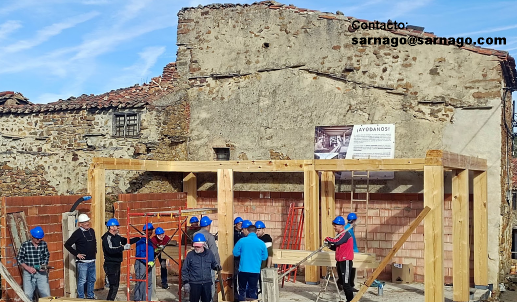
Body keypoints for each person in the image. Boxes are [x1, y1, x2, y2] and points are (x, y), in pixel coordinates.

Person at [101, 218, 139, 301]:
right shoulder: (107, 238)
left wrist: (139, 237)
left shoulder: (117, 237)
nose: (118, 228)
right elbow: (110, 250)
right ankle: (109, 300)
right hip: (110, 264)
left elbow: (126, 241)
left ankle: (110, 300)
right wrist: (122, 248)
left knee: (116, 286)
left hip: (117, 263)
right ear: (111, 227)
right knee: (113, 286)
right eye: (116, 226)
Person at [64, 213, 97, 299]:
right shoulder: (77, 233)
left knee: (92, 279)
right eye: (85, 222)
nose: (87, 223)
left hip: (92, 261)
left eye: (87, 221)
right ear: (80, 224)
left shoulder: (92, 231)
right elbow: (67, 244)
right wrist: (77, 254)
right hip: (82, 263)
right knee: (82, 281)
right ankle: (81, 298)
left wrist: (95, 252)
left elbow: (94, 242)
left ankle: (90, 296)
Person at [232, 224, 268, 302]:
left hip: (243, 270)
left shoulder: (241, 241)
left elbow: (235, 253)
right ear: (255, 232)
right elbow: (265, 257)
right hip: (255, 270)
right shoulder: (261, 243)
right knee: (253, 290)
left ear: (248, 231)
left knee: (242, 290)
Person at [181, 233, 220, 302]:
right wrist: (186, 282)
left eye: (198, 246)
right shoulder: (190, 255)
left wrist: (216, 266)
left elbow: (213, 264)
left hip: (207, 284)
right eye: (195, 246)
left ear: (204, 245)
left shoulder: (209, 254)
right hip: (195, 284)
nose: (196, 248)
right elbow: (185, 269)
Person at [324, 216, 354, 302]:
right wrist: (329, 246)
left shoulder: (345, 234)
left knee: (346, 284)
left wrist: (327, 239)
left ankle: (351, 300)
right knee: (341, 281)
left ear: (341, 225)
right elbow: (337, 246)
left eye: (335, 225)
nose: (334, 227)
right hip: (340, 261)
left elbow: (336, 241)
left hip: (346, 261)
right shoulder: (340, 235)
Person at [17, 226, 51, 301]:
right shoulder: (25, 245)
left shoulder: (44, 244)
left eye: (40, 238)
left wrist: (43, 266)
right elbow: (19, 259)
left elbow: (47, 255)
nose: (39, 240)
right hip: (28, 274)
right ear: (32, 236)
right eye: (37, 238)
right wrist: (28, 268)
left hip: (41, 274)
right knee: (28, 295)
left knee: (46, 294)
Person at [194, 216, 220, 299]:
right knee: (209, 288)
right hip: (208, 265)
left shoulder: (195, 234)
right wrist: (217, 264)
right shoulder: (209, 236)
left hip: (196, 264)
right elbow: (214, 252)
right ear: (208, 225)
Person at [134, 223, 155, 301]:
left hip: (149, 263)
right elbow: (140, 253)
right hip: (141, 263)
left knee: (148, 283)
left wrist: (155, 251)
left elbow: (149, 251)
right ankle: (139, 299)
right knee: (141, 282)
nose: (150, 232)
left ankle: (147, 299)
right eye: (148, 230)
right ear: (144, 230)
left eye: (151, 230)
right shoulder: (141, 239)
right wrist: (147, 261)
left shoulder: (148, 239)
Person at [255, 221, 273, 294]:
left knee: (264, 286)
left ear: (263, 230)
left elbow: (270, 254)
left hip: (263, 266)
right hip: (256, 266)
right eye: (256, 230)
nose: (257, 232)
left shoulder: (267, 239)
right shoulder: (255, 238)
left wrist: (268, 266)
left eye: (259, 230)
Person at [233, 217, 244, 301]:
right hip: (235, 258)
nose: (240, 225)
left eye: (241, 224)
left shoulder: (243, 233)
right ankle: (235, 293)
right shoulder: (233, 233)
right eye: (239, 224)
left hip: (242, 258)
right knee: (235, 275)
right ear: (236, 224)